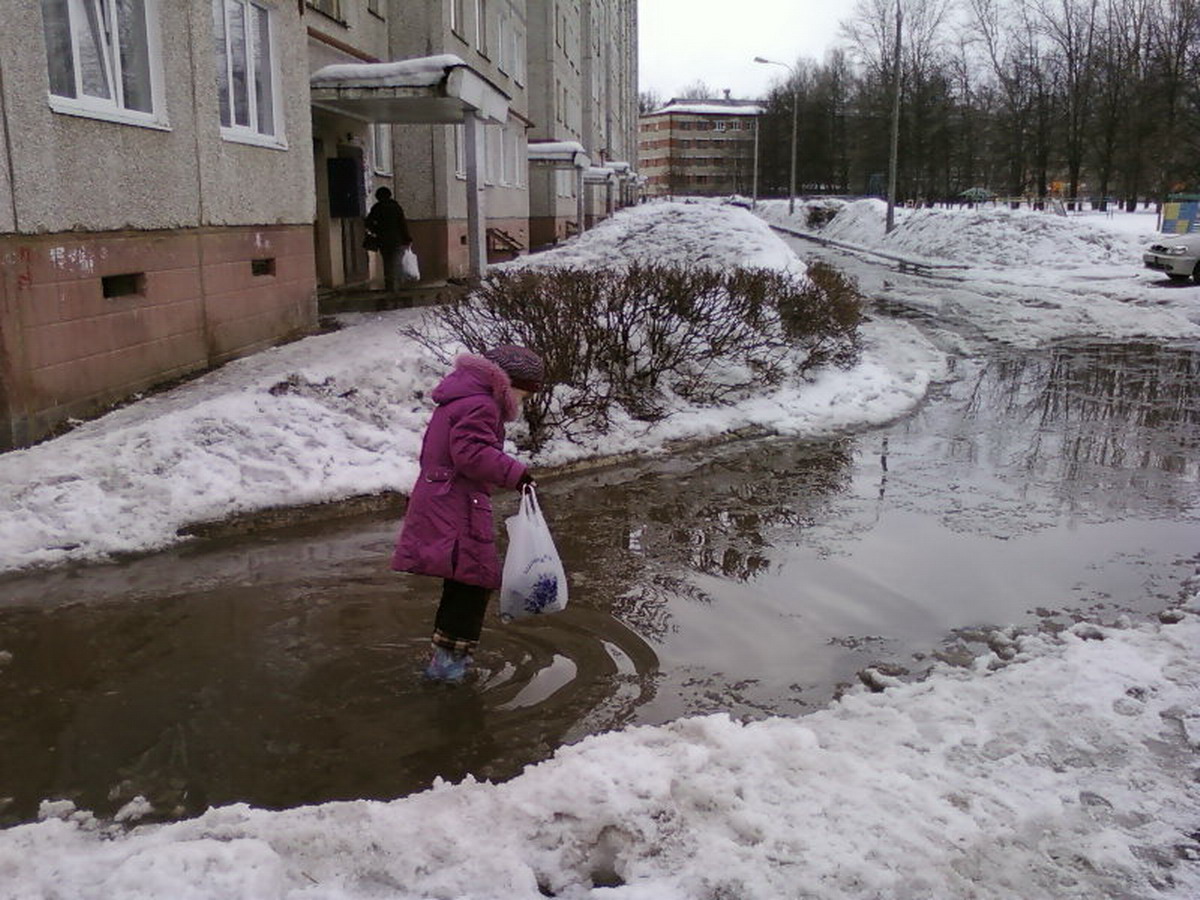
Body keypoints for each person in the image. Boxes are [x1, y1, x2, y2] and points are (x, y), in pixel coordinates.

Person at [392, 345, 545, 683]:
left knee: (463, 581)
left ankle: (444, 658)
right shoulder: (482, 404)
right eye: (525, 394)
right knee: (474, 581)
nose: (523, 403)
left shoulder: (462, 397)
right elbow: (471, 454)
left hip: (445, 498)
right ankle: (448, 669)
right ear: (511, 384)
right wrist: (517, 474)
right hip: (455, 503)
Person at [364, 186, 412, 292]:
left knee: (387, 263)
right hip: (397, 240)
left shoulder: (377, 208)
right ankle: (396, 286)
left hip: (383, 241)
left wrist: (376, 230)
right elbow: (402, 224)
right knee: (396, 263)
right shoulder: (396, 207)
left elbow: (368, 222)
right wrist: (407, 238)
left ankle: (389, 285)